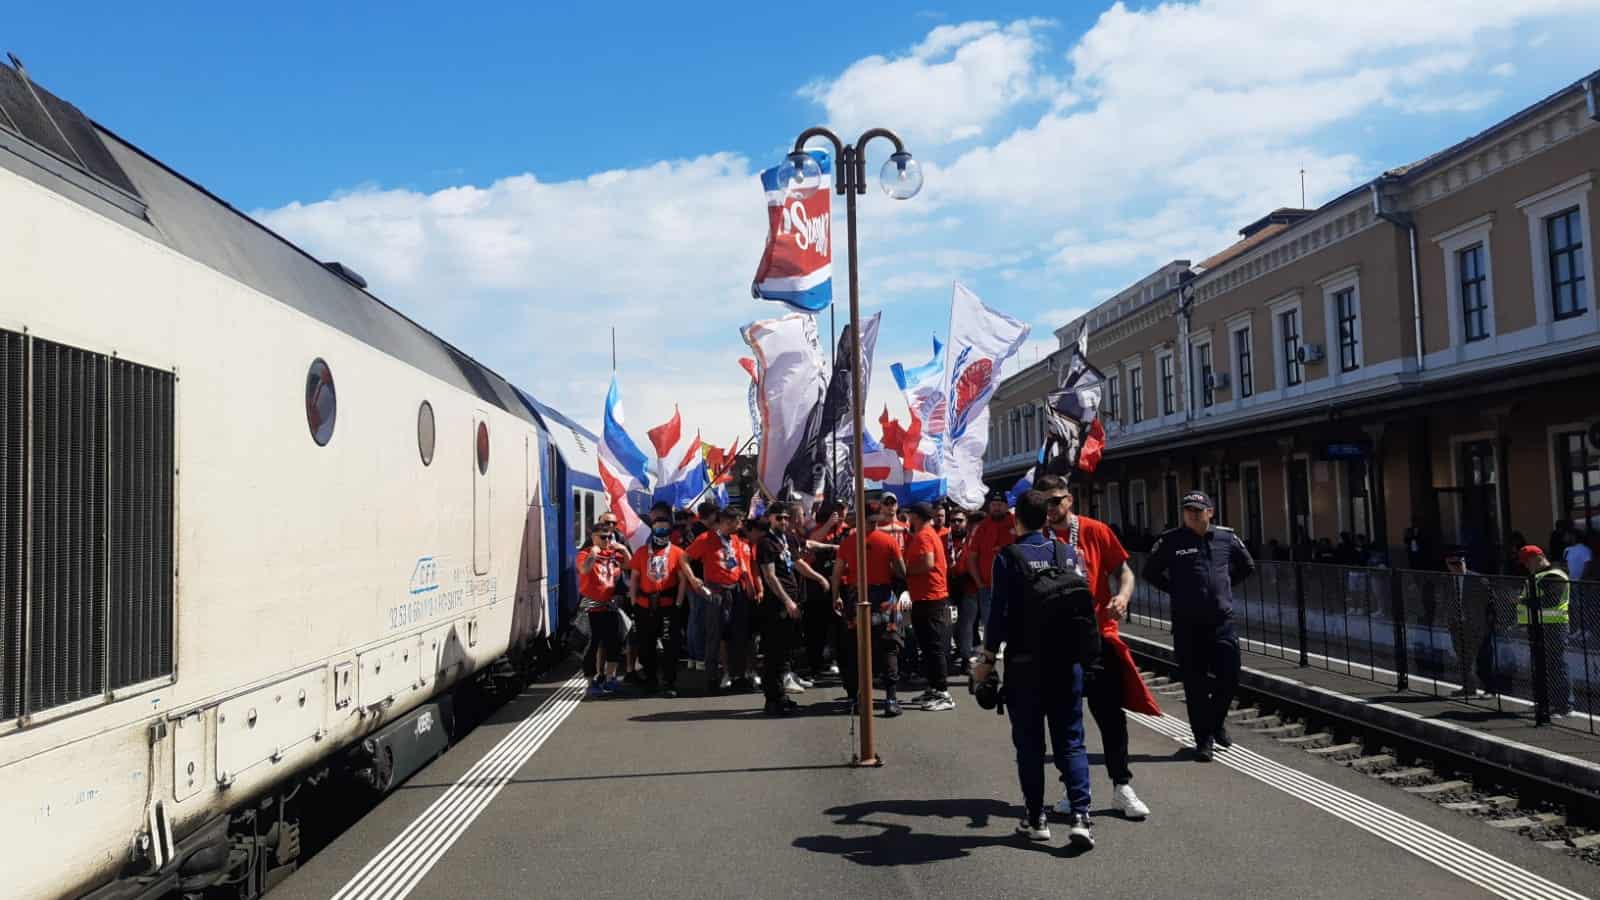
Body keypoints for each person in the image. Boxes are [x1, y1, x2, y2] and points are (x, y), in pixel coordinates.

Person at [971, 490, 1095, 849]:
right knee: (1071, 740)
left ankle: (1036, 817)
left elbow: (997, 615)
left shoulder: (1008, 557)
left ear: (1017, 519)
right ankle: (1081, 817)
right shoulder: (1066, 553)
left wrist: (987, 660)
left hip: (1026, 664)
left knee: (1029, 745)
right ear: (1047, 519)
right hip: (1066, 662)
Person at [1035, 473, 1155, 820]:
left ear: (1069, 499)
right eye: (1045, 502)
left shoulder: (1094, 530)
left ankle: (1122, 787)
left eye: (1056, 500)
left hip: (1099, 635)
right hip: (1057, 641)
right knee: (1064, 718)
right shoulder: (1035, 537)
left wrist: (1123, 595)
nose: (1051, 508)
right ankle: (1072, 789)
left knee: (1110, 716)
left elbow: (1126, 572)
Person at [1142, 491, 1255, 762]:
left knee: (1229, 677)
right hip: (1187, 625)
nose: (1192, 514)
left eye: (1198, 510)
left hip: (1221, 622)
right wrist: (1176, 591)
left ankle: (1216, 722)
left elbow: (1247, 565)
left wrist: (1224, 589)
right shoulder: (1171, 541)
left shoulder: (1226, 537)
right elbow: (1150, 573)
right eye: (1188, 510)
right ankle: (1203, 741)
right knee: (1195, 685)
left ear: (1210, 512)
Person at [831, 501, 908, 716]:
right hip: (882, 596)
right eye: (872, 521)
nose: (874, 525)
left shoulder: (848, 542)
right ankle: (890, 699)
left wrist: (836, 596)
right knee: (888, 645)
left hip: (858, 595)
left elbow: (837, 574)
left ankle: (856, 698)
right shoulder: (889, 541)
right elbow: (902, 572)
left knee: (857, 647)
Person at [630, 512, 710, 697]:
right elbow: (634, 578)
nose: (662, 531)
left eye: (666, 528)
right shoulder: (642, 552)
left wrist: (678, 603)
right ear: (652, 529)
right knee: (646, 645)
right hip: (644, 605)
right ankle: (650, 680)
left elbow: (682, 579)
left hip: (668, 605)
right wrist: (634, 601)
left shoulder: (677, 552)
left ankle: (669, 683)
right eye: (658, 528)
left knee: (670, 646)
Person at [686, 508, 748, 695]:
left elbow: (738, 561)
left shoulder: (734, 539)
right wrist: (693, 579)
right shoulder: (706, 538)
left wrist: (747, 581)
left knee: (736, 634)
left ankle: (736, 676)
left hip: (734, 589)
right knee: (714, 635)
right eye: (737, 522)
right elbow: (684, 558)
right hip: (716, 589)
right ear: (726, 522)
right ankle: (711, 679)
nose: (740, 525)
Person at [904, 502, 956, 711]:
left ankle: (943, 693)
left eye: (910, 515)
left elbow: (928, 562)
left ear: (916, 516)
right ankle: (934, 687)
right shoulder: (928, 533)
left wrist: (905, 570)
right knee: (927, 645)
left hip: (930, 597)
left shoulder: (924, 535)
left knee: (933, 646)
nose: (908, 518)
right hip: (927, 596)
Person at [755, 508, 805, 715]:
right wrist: (786, 601)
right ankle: (772, 700)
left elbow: (797, 563)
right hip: (776, 605)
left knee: (785, 652)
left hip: (792, 600)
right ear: (770, 519)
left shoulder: (788, 538)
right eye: (779, 517)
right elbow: (770, 576)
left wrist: (819, 578)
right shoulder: (765, 543)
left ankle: (781, 696)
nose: (784, 521)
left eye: (786, 517)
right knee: (773, 654)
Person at [577, 514, 631, 698]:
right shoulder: (585, 554)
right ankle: (590, 682)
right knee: (591, 646)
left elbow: (630, 565)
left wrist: (623, 549)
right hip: (592, 607)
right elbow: (584, 570)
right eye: (603, 537)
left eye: (610, 536)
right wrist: (593, 553)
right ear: (593, 537)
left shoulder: (613, 555)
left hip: (609, 606)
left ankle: (610, 678)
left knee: (613, 643)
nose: (607, 540)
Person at [1516, 546, 1573, 718]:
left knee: (1555, 664)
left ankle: (1563, 706)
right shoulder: (1540, 575)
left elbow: (1551, 601)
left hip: (1553, 625)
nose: (1526, 566)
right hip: (1539, 625)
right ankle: (1545, 702)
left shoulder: (1554, 575)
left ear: (1538, 557)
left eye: (1527, 561)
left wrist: (1523, 601)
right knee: (1542, 665)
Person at [965, 489, 1016, 660]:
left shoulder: (1016, 523)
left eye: (1000, 504)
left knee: (1014, 621)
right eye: (993, 505)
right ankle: (990, 655)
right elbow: (972, 557)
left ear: (1006, 506)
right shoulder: (981, 527)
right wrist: (979, 582)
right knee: (989, 621)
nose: (996, 508)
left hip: (1012, 584)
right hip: (987, 586)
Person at [1442, 546, 1497, 699]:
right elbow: (1446, 601)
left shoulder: (1477, 579)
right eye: (1453, 564)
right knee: (1462, 658)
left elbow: (1491, 602)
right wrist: (1449, 620)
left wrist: (1488, 624)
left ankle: (1490, 689)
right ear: (1447, 564)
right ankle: (1468, 687)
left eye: (1460, 563)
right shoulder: (1447, 580)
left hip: (1477, 625)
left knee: (1483, 659)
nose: (1457, 567)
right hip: (1458, 624)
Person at [945, 508, 976, 675]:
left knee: (966, 626)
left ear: (966, 523)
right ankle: (950, 654)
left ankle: (966, 658)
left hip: (969, 587)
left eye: (960, 520)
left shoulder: (973, 539)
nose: (956, 524)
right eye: (953, 521)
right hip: (949, 587)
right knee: (949, 624)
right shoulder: (944, 539)